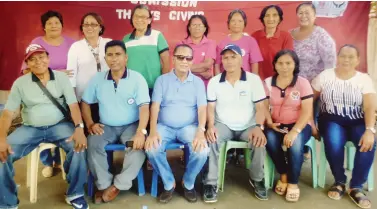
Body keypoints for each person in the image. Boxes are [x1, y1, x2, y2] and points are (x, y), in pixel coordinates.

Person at [0, 44, 88, 209]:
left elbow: (73, 105)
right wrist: (1, 138)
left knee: (79, 146)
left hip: (59, 125)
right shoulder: (20, 83)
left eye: (41, 57)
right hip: (31, 129)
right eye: (32, 59)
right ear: (27, 63)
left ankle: (75, 193)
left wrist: (79, 128)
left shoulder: (61, 79)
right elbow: (7, 113)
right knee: (1, 153)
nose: (38, 62)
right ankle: (7, 202)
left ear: (48, 58)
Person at [82, 40, 150, 204]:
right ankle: (104, 184)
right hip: (107, 126)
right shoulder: (97, 79)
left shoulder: (137, 78)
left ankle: (118, 185)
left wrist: (140, 132)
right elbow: (85, 103)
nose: (114, 59)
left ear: (126, 57)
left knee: (137, 146)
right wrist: (91, 123)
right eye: (110, 55)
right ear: (105, 59)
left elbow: (144, 107)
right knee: (93, 143)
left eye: (118, 54)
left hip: (131, 125)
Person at [312, 44, 376, 209]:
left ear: (357, 60)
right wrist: (310, 122)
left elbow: (369, 106)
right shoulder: (325, 76)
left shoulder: (364, 79)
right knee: (333, 141)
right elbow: (310, 99)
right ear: (337, 57)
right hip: (331, 118)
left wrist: (370, 130)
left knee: (368, 144)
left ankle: (356, 186)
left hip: (356, 120)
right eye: (343, 56)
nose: (346, 59)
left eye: (351, 57)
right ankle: (339, 181)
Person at [203, 44, 268, 203]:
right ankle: (211, 183)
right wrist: (210, 126)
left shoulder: (253, 80)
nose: (229, 61)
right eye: (225, 57)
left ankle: (257, 179)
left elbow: (261, 107)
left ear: (241, 59)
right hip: (223, 124)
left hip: (248, 125)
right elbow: (210, 107)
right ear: (221, 61)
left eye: (233, 57)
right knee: (212, 138)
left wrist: (259, 127)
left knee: (259, 141)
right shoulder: (214, 81)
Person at [145, 44, 209, 204]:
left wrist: (201, 130)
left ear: (192, 61)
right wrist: (152, 131)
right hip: (164, 127)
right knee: (151, 148)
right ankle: (168, 183)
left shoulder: (198, 82)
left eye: (188, 58)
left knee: (202, 150)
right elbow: (155, 107)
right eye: (180, 57)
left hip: (189, 127)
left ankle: (187, 183)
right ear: (173, 59)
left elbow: (202, 109)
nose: (184, 61)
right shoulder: (162, 80)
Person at [21, 10, 76, 178]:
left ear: (62, 25)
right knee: (41, 125)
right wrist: (58, 72)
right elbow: (25, 71)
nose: (53, 25)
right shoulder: (36, 43)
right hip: (41, 94)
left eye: (56, 22)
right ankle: (47, 161)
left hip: (65, 95)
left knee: (65, 128)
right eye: (49, 23)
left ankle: (63, 161)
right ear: (44, 27)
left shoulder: (71, 43)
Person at [263, 50, 313, 202]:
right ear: (275, 65)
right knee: (269, 140)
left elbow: (307, 111)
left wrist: (294, 131)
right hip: (276, 125)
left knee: (295, 143)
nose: (284, 67)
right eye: (280, 63)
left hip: (300, 125)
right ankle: (283, 174)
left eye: (288, 63)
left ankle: (293, 183)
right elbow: (263, 107)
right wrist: (269, 123)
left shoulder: (302, 83)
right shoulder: (267, 82)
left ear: (295, 65)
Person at [291, 2, 336, 159]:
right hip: (292, 86)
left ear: (315, 15)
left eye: (307, 13)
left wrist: (321, 85)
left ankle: (303, 151)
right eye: (300, 13)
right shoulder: (291, 34)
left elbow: (331, 63)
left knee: (308, 119)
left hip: (314, 88)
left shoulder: (321, 35)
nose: (303, 16)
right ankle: (294, 148)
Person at [123, 4, 170, 96]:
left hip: (153, 87)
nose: (139, 19)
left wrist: (163, 84)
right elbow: (123, 63)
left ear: (149, 20)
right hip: (131, 86)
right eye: (136, 16)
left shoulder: (157, 35)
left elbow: (166, 61)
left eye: (144, 17)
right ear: (132, 19)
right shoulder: (126, 39)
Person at [67, 12, 112, 102]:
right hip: (85, 97)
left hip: (108, 94)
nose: (89, 27)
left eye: (93, 24)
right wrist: (73, 100)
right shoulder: (76, 46)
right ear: (82, 28)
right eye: (86, 24)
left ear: (100, 27)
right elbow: (71, 75)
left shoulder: (109, 43)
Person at [215, 9, 263, 75]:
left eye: (240, 21)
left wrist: (254, 81)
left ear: (244, 23)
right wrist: (219, 81)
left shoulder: (251, 41)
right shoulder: (222, 43)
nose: (236, 23)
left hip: (245, 80)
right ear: (228, 24)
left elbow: (254, 63)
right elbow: (217, 65)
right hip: (226, 81)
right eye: (233, 21)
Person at [252, 5, 294, 80]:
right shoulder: (255, 36)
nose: (271, 18)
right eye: (267, 15)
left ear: (279, 19)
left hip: (279, 79)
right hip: (258, 79)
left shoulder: (286, 36)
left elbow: (288, 60)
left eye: (274, 15)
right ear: (263, 18)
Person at [179, 14, 216, 87]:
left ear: (205, 28)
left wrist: (187, 69)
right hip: (184, 85)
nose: (197, 28)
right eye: (194, 25)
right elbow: (180, 67)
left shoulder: (210, 43)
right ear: (189, 28)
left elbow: (207, 65)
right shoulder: (182, 44)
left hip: (205, 86)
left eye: (200, 25)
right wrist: (201, 72)